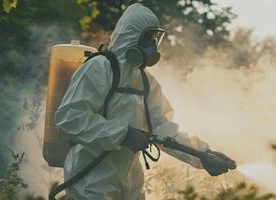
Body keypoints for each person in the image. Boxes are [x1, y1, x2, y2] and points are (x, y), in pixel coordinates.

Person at [54, 3, 235, 200]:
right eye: (148, 37)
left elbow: (163, 128)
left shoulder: (146, 82)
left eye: (155, 39)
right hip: (90, 181)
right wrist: (123, 134)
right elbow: (69, 118)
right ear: (131, 36)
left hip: (129, 181)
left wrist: (203, 155)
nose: (152, 45)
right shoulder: (100, 68)